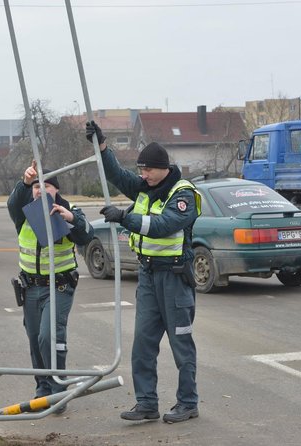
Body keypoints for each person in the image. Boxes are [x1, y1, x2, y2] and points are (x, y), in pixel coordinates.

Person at [86, 121, 202, 424]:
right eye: (141, 170)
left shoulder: (183, 194)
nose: (142, 175)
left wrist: (126, 218)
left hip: (175, 279)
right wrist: (102, 147)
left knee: (181, 346)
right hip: (148, 277)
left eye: (147, 170)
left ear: (162, 168)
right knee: (143, 346)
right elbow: (115, 175)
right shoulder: (144, 186)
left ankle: (188, 403)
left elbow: (164, 227)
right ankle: (146, 403)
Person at [7, 161, 93, 412]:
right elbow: (13, 203)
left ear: (56, 190)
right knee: (35, 339)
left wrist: (72, 219)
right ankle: (42, 388)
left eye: (46, 185)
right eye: (36, 186)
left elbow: (86, 234)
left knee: (49, 336)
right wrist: (24, 181)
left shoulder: (67, 210)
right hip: (30, 287)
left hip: (59, 287)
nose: (40, 190)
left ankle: (57, 390)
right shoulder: (24, 212)